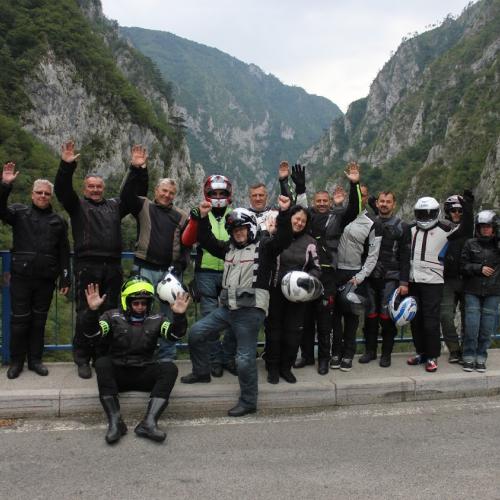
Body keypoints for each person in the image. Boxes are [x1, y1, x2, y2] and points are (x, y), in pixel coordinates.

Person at [181, 195, 292, 417]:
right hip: (227, 309)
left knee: (243, 359)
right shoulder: (229, 249)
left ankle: (249, 401)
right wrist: (203, 217)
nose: (238, 233)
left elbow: (285, 238)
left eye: (241, 229)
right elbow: (207, 240)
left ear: (250, 228)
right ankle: (202, 372)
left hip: (250, 312)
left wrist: (286, 212)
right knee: (195, 333)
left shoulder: (266, 247)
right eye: (234, 230)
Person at [55, 141, 147, 379]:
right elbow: (62, 191)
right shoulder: (77, 206)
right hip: (88, 267)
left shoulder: (115, 206)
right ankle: (82, 357)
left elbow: (131, 196)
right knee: (87, 312)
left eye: (99, 186)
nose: (95, 190)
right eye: (91, 186)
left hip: (112, 267)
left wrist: (137, 169)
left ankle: (102, 356)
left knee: (110, 313)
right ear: (85, 188)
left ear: (103, 188)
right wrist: (66, 166)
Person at [83, 277, 190, 444]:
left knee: (170, 368)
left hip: (144, 372)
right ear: (127, 302)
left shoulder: (158, 319)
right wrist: (91, 311)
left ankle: (149, 423)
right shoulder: (111, 316)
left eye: (144, 303)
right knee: (102, 363)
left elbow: (174, 335)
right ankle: (115, 423)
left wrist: (179, 316)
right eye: (136, 303)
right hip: (119, 373)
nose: (140, 307)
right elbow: (93, 334)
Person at [1, 163, 70, 379]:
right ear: (32, 194)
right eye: (39, 192)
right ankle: (16, 362)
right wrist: (5, 184)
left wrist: (65, 279)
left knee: (39, 322)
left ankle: (35, 360)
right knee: (20, 321)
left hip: (46, 279)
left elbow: (64, 252)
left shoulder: (58, 221)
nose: (42, 196)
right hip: (21, 277)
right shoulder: (19, 213)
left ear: (51, 197)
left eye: (46, 193)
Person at [121, 159, 189, 362]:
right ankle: (141, 354)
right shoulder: (144, 206)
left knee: (169, 315)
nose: (167, 195)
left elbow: (186, 244)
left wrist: (181, 263)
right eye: (164, 190)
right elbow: (125, 196)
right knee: (140, 313)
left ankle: (167, 357)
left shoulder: (181, 216)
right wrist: (135, 169)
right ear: (156, 191)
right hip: (144, 268)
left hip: (169, 274)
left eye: (171, 192)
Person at [181, 174, 236, 377]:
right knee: (210, 319)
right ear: (207, 193)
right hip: (205, 273)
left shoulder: (236, 213)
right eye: (215, 193)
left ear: (229, 194)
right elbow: (187, 240)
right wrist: (197, 219)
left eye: (222, 192)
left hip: (231, 271)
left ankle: (228, 357)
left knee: (234, 318)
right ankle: (214, 360)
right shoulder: (199, 213)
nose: (219, 196)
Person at [265, 204, 321, 384]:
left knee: (293, 334)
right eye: (296, 218)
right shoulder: (278, 236)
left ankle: (286, 367)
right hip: (275, 292)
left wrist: (308, 280)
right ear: (290, 219)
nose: (299, 222)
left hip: (298, 296)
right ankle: (272, 368)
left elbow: (317, 268)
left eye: (303, 221)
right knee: (274, 332)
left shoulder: (311, 242)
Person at [332, 185, 382, 372]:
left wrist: (360, 277)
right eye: (357, 194)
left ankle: (348, 354)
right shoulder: (340, 215)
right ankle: (335, 353)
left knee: (352, 319)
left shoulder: (372, 223)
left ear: (367, 197)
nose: (360, 197)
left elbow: (373, 255)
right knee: (335, 319)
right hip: (336, 273)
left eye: (364, 195)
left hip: (355, 275)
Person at [359, 191, 411, 368]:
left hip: (392, 279)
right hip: (370, 277)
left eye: (388, 202)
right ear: (378, 203)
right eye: (382, 201)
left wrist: (404, 283)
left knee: (387, 318)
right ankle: (370, 351)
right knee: (370, 316)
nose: (384, 204)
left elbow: (405, 256)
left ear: (393, 204)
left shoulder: (402, 227)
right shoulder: (369, 224)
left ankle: (386, 354)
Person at [407, 196, 459, 372]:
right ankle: (421, 352)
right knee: (415, 320)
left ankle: (432, 356)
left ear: (436, 213)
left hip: (434, 282)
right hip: (413, 280)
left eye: (427, 213)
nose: (424, 216)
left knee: (431, 321)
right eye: (420, 213)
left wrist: (466, 208)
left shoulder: (447, 229)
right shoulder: (411, 229)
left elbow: (464, 232)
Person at [460, 210, 500, 373]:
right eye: (482, 226)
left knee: (487, 328)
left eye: (489, 226)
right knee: (472, 326)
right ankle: (468, 355)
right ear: (477, 228)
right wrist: (479, 268)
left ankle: (481, 356)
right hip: (472, 290)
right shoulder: (470, 244)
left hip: (493, 291)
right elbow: (463, 266)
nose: (485, 229)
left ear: (494, 228)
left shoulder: (498, 245)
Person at [440, 192, 474, 363]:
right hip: (448, 279)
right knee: (445, 315)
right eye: (453, 210)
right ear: (447, 211)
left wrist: (469, 207)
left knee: (469, 317)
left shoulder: (469, 229)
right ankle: (454, 350)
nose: (457, 213)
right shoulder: (441, 228)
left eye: (460, 210)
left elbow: (468, 222)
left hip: (468, 280)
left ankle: (467, 350)